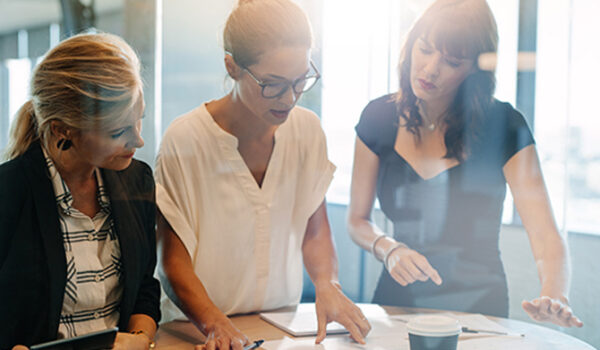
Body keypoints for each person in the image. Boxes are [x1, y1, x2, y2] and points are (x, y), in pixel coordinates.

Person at [347, 0, 583, 327]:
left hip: (479, 307)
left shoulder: (504, 125)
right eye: (425, 49)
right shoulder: (377, 117)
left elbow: (546, 236)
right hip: (397, 302)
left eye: (451, 61)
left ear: (474, 68)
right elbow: (357, 220)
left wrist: (555, 295)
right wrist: (388, 249)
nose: (430, 69)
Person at [154, 0, 371, 349]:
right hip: (198, 328)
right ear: (232, 66)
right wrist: (214, 325)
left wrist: (328, 284)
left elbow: (314, 230)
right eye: (273, 84)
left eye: (300, 81)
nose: (290, 98)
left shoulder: (306, 130)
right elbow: (172, 264)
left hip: (278, 326)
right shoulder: (185, 139)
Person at [0, 33, 161, 350]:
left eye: (139, 120)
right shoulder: (8, 193)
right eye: (118, 131)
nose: (138, 141)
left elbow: (144, 287)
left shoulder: (137, 179)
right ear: (63, 130)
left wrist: (142, 339)